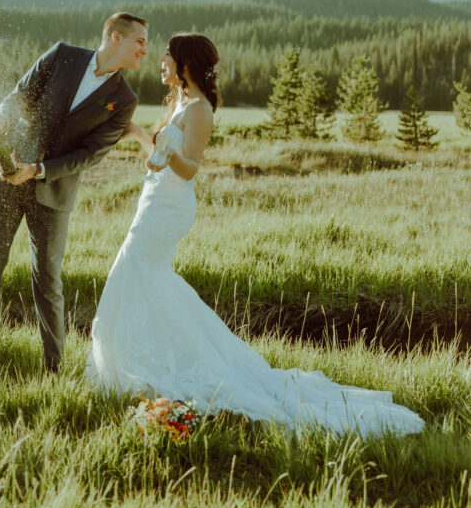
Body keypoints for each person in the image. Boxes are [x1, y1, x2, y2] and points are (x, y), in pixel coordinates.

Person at [85, 33, 424, 436]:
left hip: (168, 210)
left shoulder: (200, 109)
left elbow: (189, 167)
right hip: (154, 203)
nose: (160, 58)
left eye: (168, 54)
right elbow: (160, 160)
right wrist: (140, 136)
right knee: (144, 279)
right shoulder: (179, 103)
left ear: (185, 63)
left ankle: (152, 363)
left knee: (136, 273)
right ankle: (147, 358)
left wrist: (158, 147)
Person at [0, 12, 148, 380]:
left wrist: (40, 170)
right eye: (139, 41)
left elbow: (90, 154)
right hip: (7, 176)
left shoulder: (125, 99)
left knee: (48, 282)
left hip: (53, 192)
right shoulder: (62, 55)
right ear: (115, 37)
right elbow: (20, 97)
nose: (144, 49)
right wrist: (1, 120)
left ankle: (54, 372)